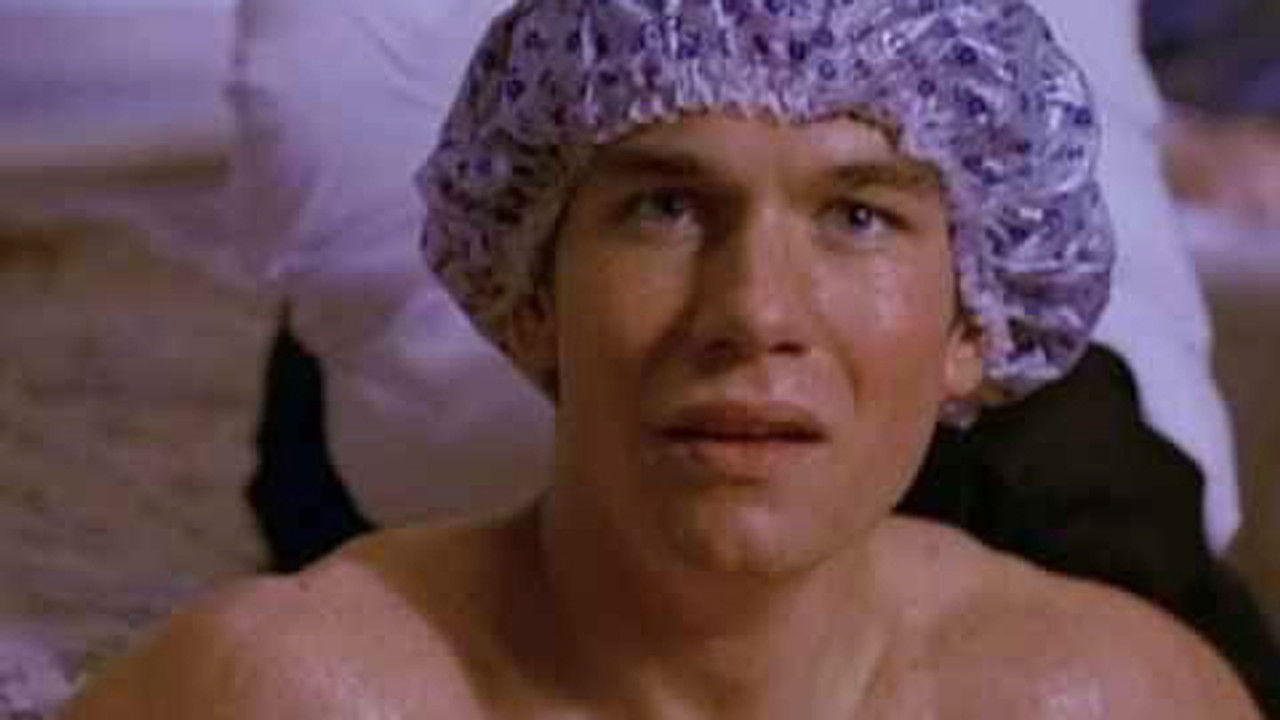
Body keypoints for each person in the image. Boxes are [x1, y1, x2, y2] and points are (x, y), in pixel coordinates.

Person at [64, 0, 1263, 716]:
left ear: (971, 333)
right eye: (666, 209)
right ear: (527, 303)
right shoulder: (292, 691)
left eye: (855, 216)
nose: (752, 309)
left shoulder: (1106, 693)